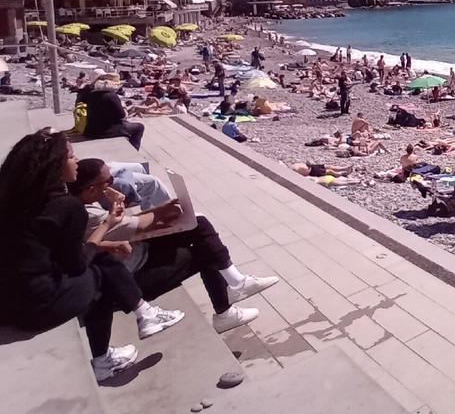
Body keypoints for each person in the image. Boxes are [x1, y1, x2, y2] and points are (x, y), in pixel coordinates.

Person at [0, 130, 184, 382]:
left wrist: (101, 243)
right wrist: (107, 226)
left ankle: (144, 315)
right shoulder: (67, 206)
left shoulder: (17, 200)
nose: (76, 162)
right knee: (98, 273)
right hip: (38, 307)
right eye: (71, 156)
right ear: (55, 165)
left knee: (99, 255)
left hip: (9, 303)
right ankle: (109, 352)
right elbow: (76, 265)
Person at [69, 159, 278, 334]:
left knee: (198, 224)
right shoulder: (88, 214)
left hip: (135, 255)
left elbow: (126, 224)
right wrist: (161, 212)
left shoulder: (83, 203)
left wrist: (162, 208)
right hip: (131, 277)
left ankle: (235, 284)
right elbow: (137, 225)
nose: (113, 183)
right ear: (91, 189)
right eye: (109, 181)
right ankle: (226, 307)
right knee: (204, 250)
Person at [83, 75, 145, 150]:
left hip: (91, 130)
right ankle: (134, 150)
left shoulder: (92, 94)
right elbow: (123, 115)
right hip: (107, 131)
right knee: (139, 127)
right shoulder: (111, 96)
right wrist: (123, 106)